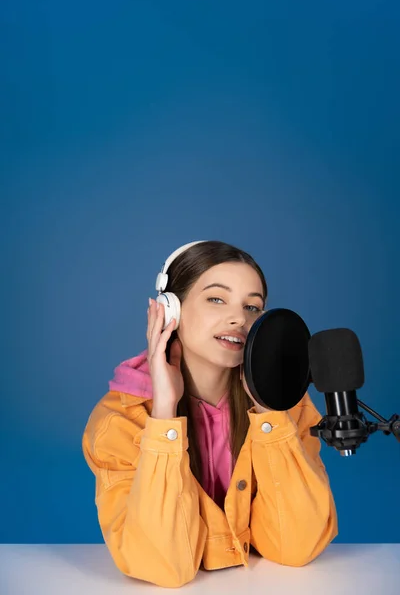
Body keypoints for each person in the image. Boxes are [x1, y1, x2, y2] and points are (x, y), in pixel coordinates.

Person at [82, 240, 338, 588]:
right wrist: (163, 417)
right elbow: (163, 565)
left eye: (253, 307)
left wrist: (267, 411)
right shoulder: (119, 421)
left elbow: (296, 546)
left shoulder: (288, 406)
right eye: (217, 299)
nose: (239, 318)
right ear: (171, 311)